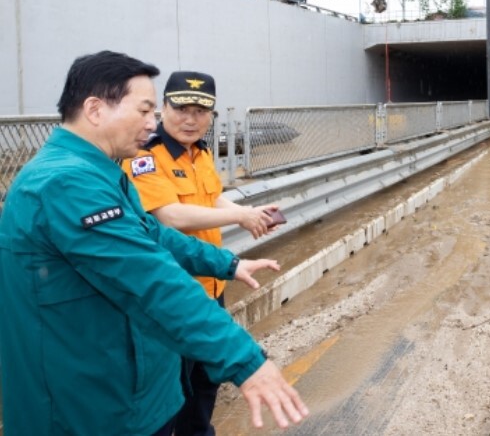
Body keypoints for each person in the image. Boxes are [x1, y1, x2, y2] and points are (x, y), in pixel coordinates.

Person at [0, 51, 308, 436]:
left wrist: (227, 264)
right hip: (91, 410)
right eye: (145, 110)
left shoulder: (99, 172)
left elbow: (153, 234)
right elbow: (150, 278)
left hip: (132, 391)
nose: (152, 122)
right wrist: (245, 361)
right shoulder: (66, 184)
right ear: (95, 109)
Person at [123, 71, 283, 436]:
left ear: (211, 115)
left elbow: (212, 198)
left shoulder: (200, 152)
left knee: (206, 379)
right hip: (174, 293)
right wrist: (240, 217)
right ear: (163, 108)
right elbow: (170, 216)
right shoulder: (145, 157)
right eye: (182, 109)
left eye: (200, 111)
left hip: (211, 287)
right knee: (173, 389)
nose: (191, 119)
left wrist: (250, 213)